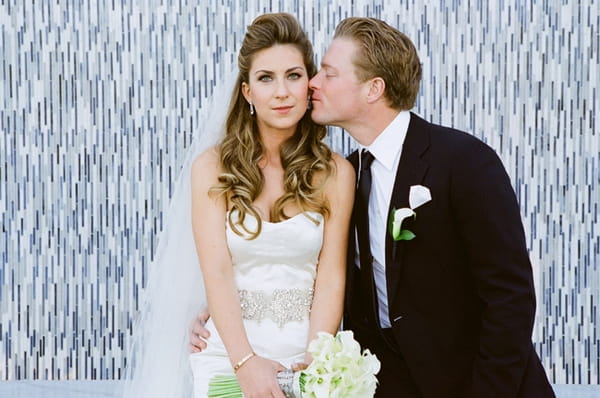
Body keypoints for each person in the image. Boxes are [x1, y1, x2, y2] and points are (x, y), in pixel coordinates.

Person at [191, 16, 555, 398]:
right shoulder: (352, 171)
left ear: (373, 89)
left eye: (327, 74)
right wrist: (226, 322)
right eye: (268, 78)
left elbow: (510, 299)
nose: (312, 84)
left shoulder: (464, 163)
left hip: (480, 385)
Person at [188, 13, 354, 398]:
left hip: (303, 353)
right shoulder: (211, 169)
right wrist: (245, 363)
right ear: (247, 91)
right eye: (266, 78)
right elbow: (218, 273)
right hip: (228, 353)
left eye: (293, 76)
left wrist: (317, 363)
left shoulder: (336, 173)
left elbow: (331, 278)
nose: (281, 92)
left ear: (308, 83)